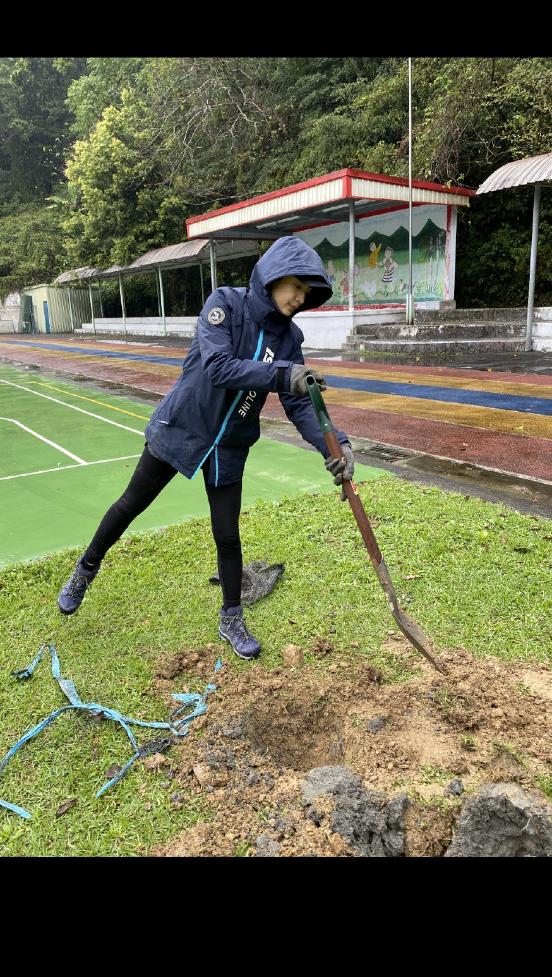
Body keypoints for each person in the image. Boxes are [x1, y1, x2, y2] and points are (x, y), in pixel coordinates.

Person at [57, 235, 355, 660]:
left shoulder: (288, 340)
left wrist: (336, 443)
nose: (299, 297)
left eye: (307, 293)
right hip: (181, 427)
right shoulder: (225, 306)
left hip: (229, 445)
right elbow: (219, 368)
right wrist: (281, 375)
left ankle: (231, 616)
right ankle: (85, 570)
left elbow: (299, 405)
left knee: (227, 534)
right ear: (273, 276)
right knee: (130, 504)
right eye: (296, 286)